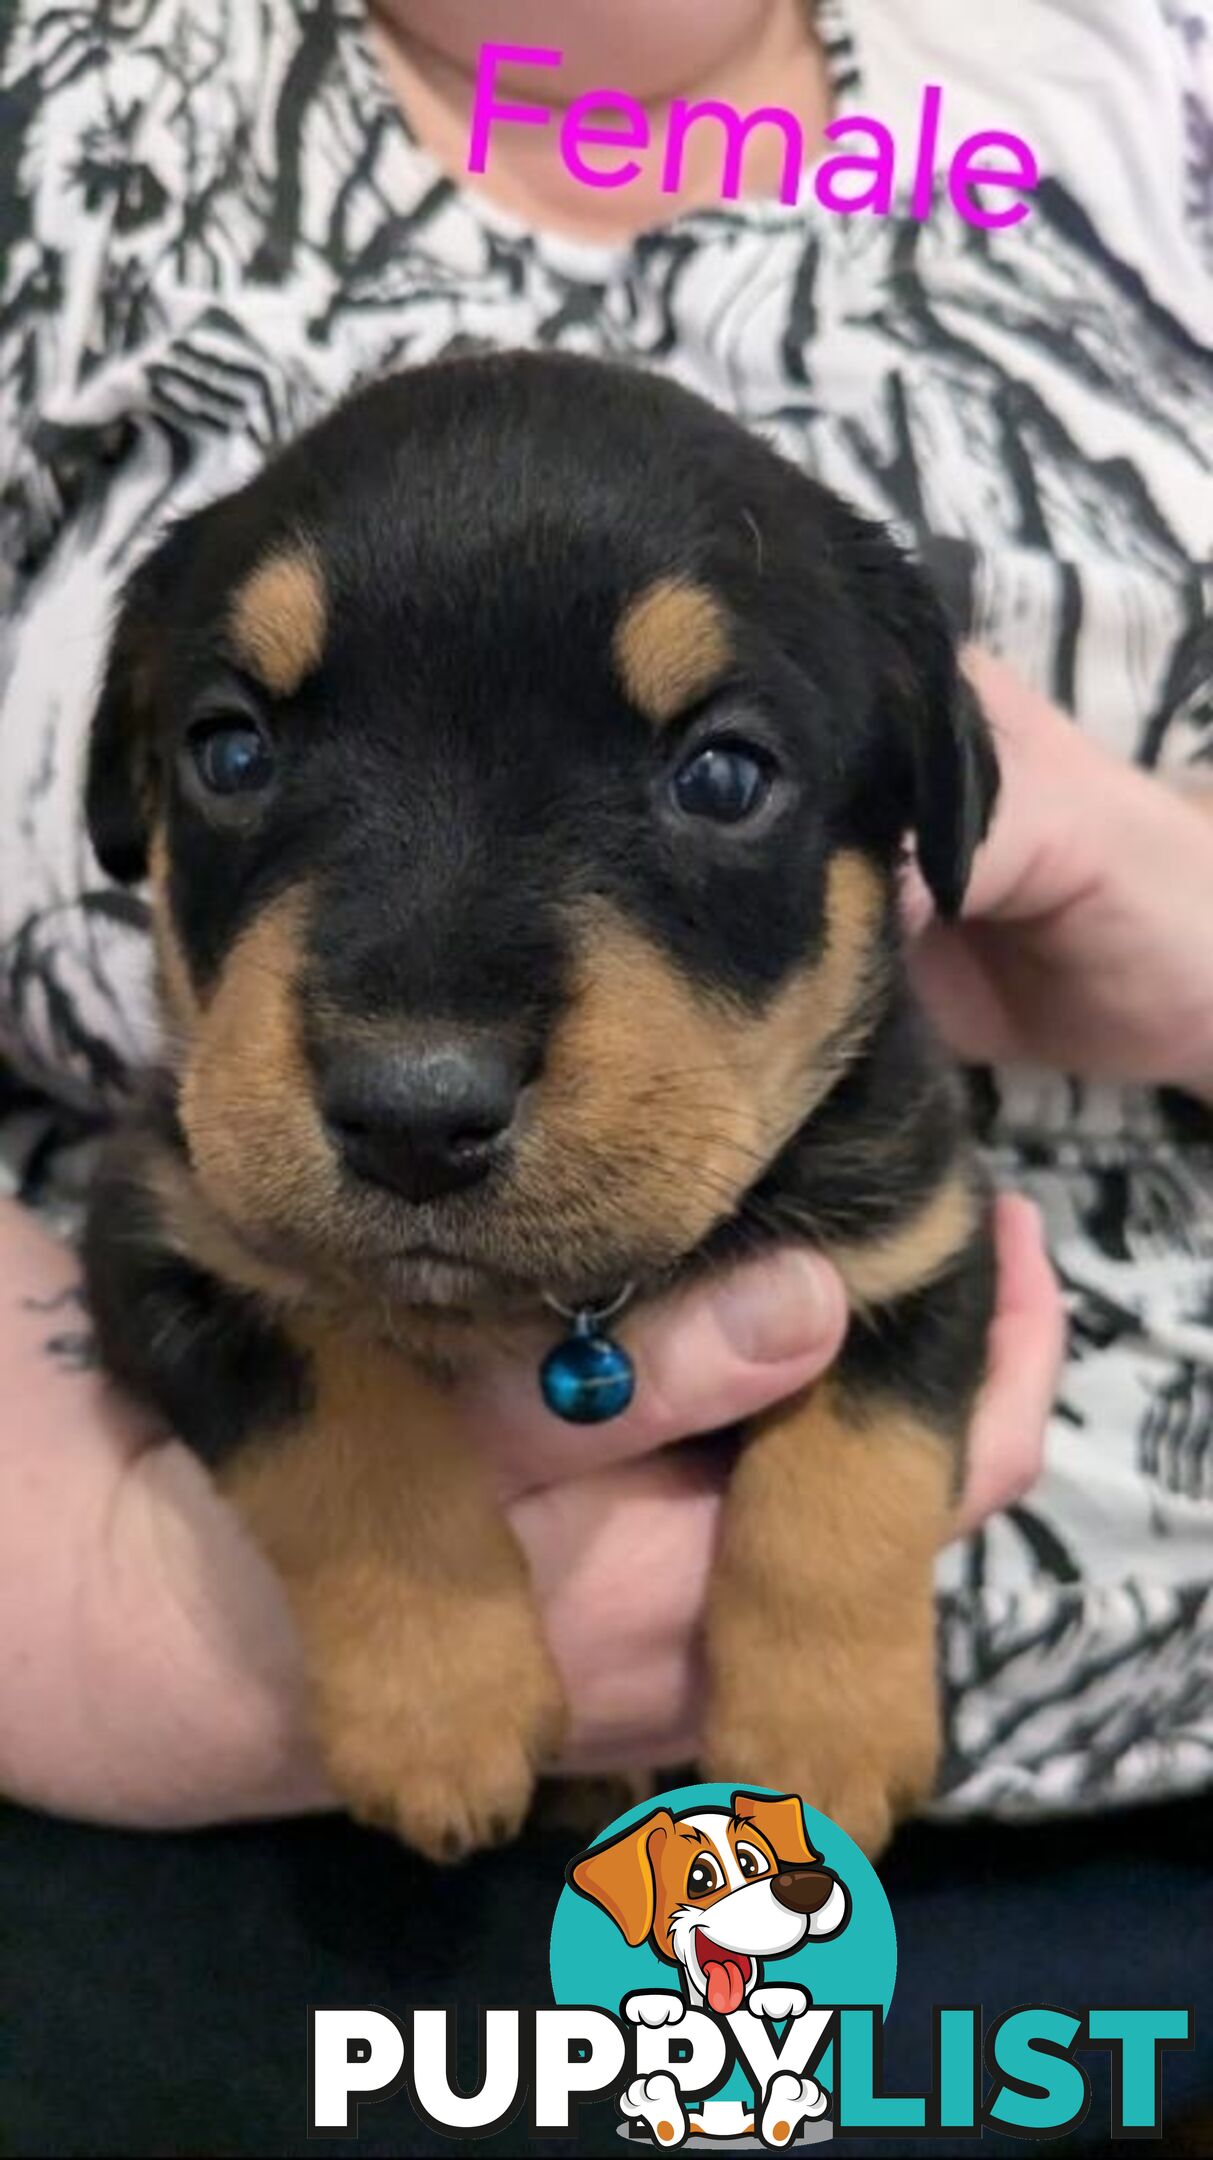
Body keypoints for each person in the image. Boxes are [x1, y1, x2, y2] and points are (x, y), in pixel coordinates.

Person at [0, 0, 1210, 1835]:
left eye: (718, 777)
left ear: (910, 832)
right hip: (225, 1804)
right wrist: (210, 1602)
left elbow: (913, 1298)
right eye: (236, 748)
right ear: (140, 788)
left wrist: (826, 1606)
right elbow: (180, 1287)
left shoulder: (1143, 62)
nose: (413, 1053)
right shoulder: (75, 79)